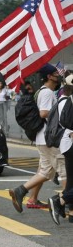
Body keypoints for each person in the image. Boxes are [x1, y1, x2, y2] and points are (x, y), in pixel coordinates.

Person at [9, 64, 65, 213]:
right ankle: (66, 205)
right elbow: (44, 113)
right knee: (64, 170)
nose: (58, 75)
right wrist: (62, 114)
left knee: (46, 172)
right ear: (49, 77)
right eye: (55, 73)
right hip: (50, 138)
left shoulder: (43, 91)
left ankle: (20, 191)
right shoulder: (47, 93)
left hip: (44, 138)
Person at [47, 74, 73, 224]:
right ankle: (60, 201)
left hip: (69, 145)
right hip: (68, 145)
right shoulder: (67, 101)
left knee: (71, 181)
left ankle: (63, 203)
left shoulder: (69, 99)